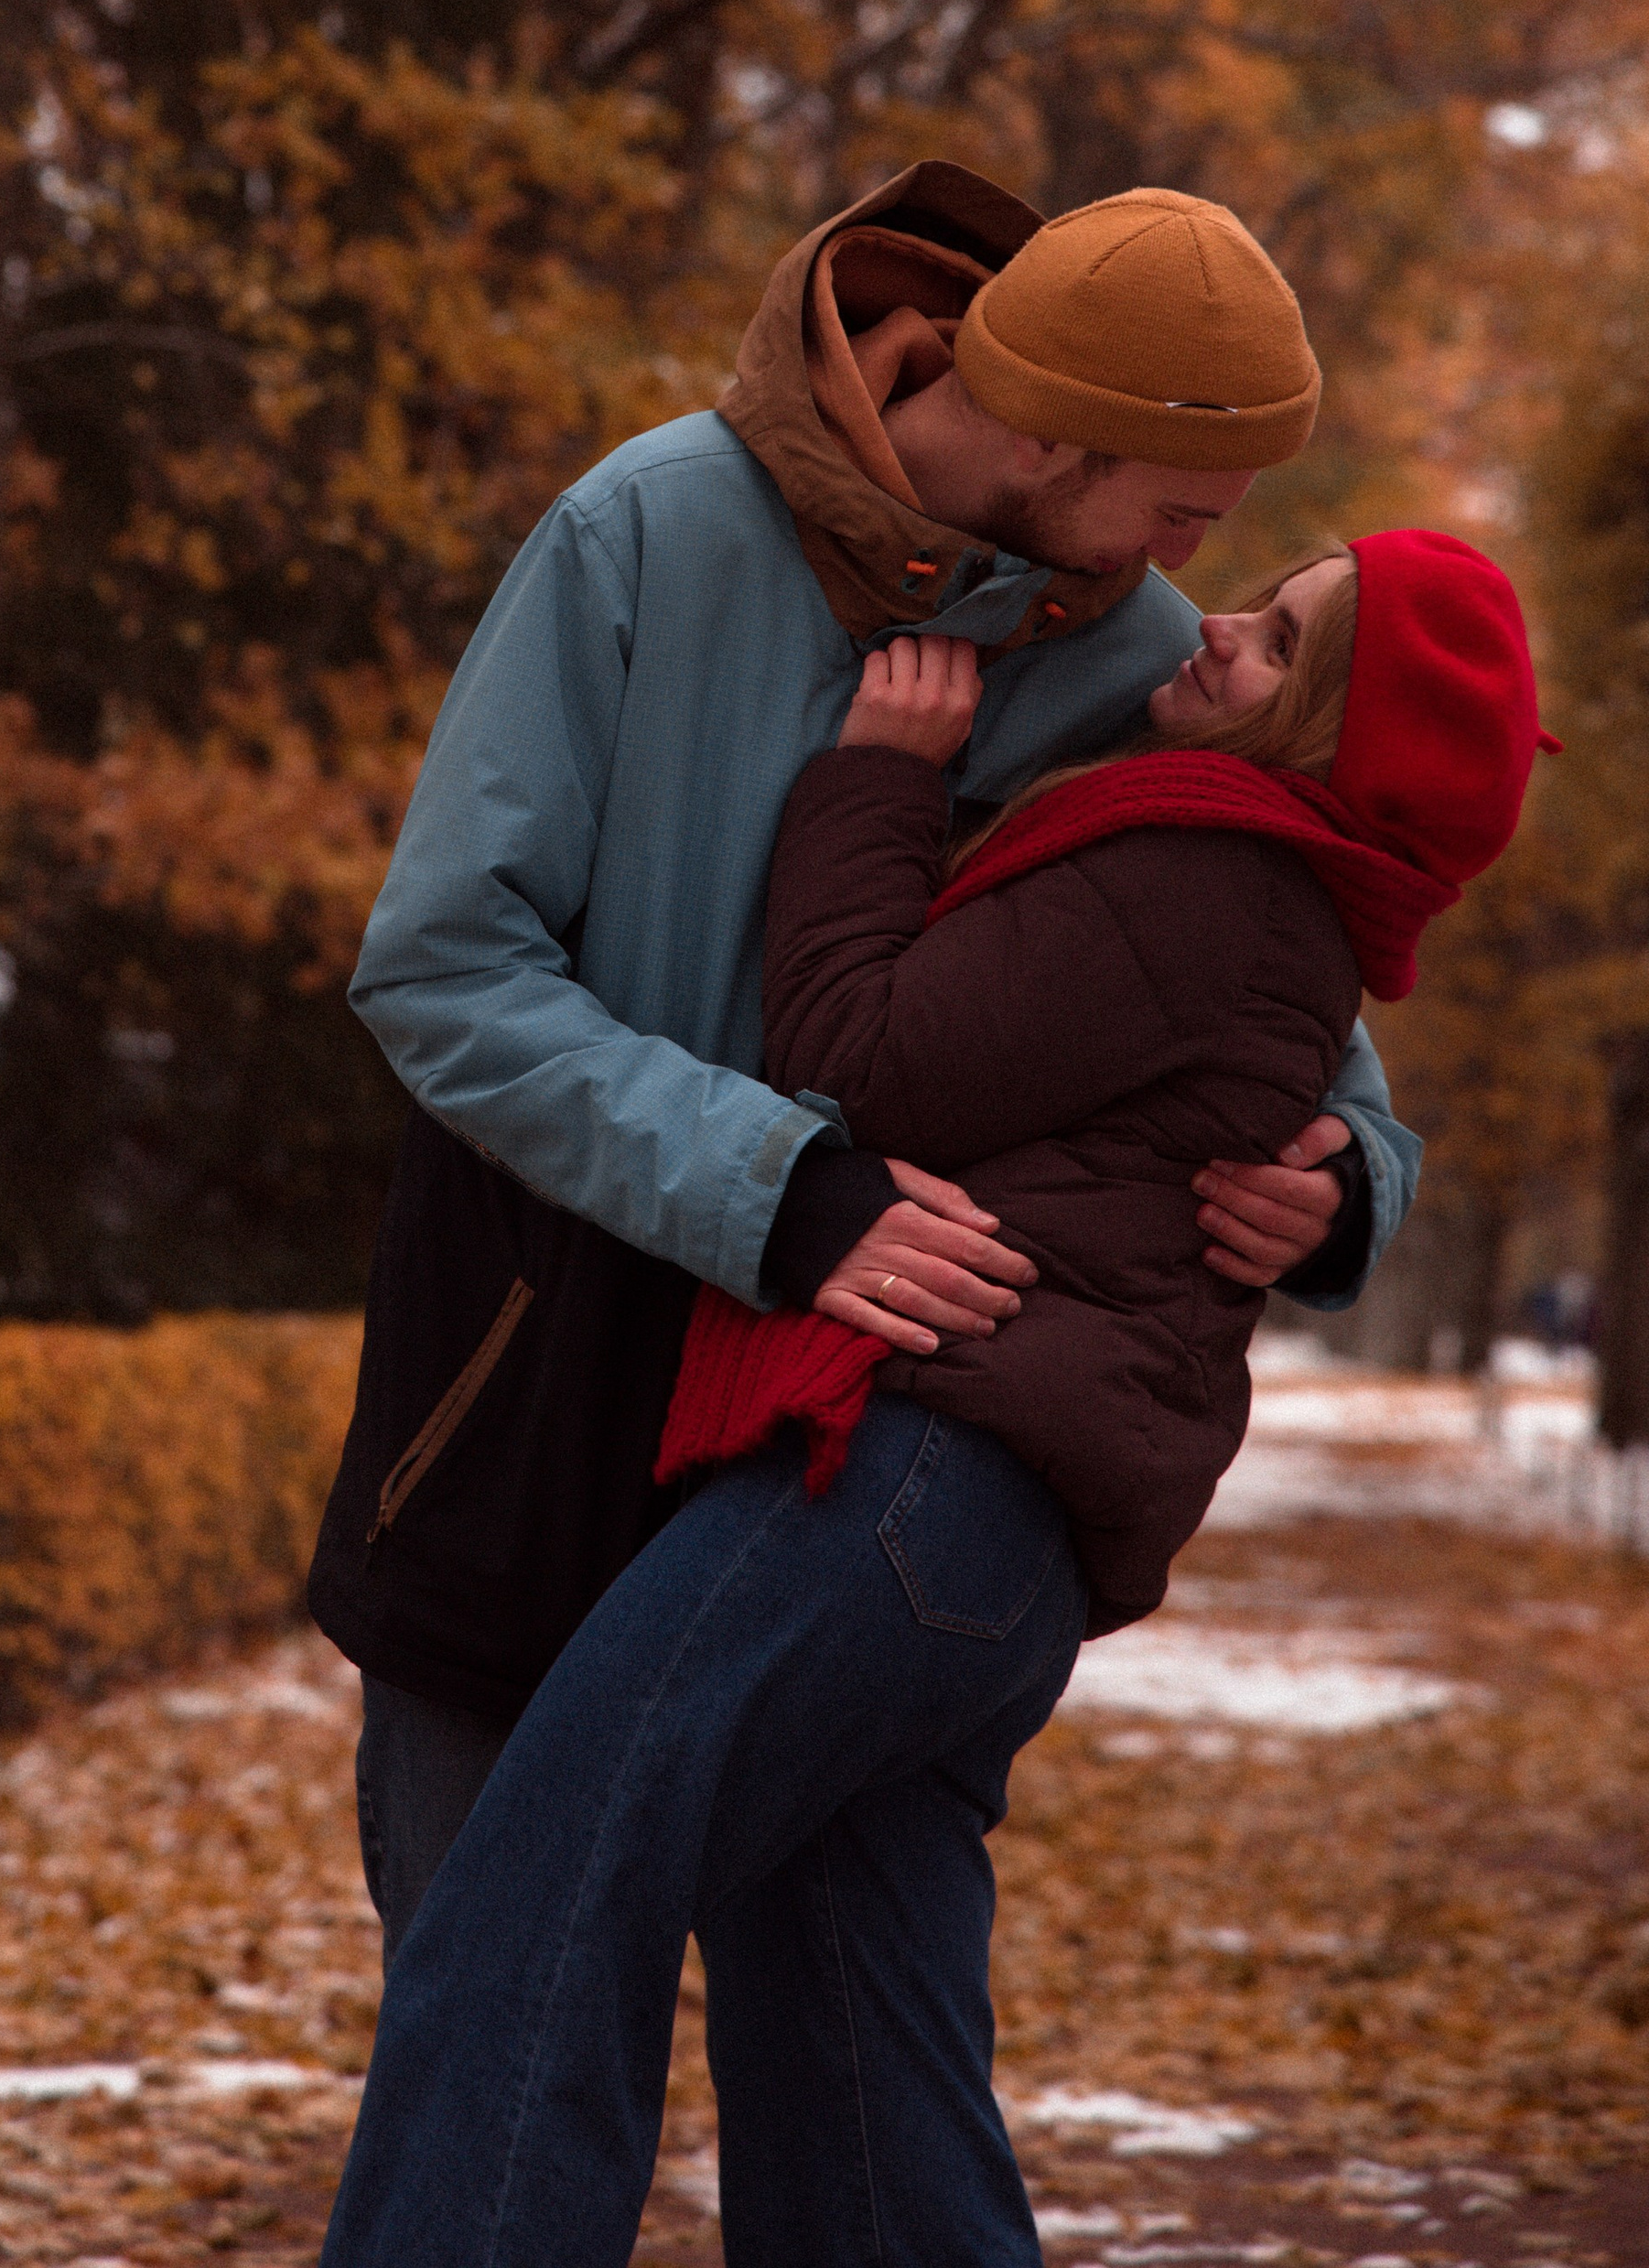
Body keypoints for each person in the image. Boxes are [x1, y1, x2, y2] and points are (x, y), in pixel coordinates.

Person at [319, 529, 1547, 2267]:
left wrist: (872, 785)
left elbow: (856, 1052)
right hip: (974, 1528)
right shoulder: (1225, 849)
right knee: (860, 2055)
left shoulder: (1203, 869)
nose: (1210, 622)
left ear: (1330, 744)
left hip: (906, 1479)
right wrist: (1356, 1173)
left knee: (546, 1887)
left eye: (1278, 642)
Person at [308, 165, 1417, 1967]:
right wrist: (782, 1191)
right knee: (487, 2012)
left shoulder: (1128, 647)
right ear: (1058, 441)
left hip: (844, 1450)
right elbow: (441, 966)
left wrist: (1344, 1178)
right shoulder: (646, 527)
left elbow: (1290, 998)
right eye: (1181, 501)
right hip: (540, 1360)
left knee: (841, 2070)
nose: (1197, 557)